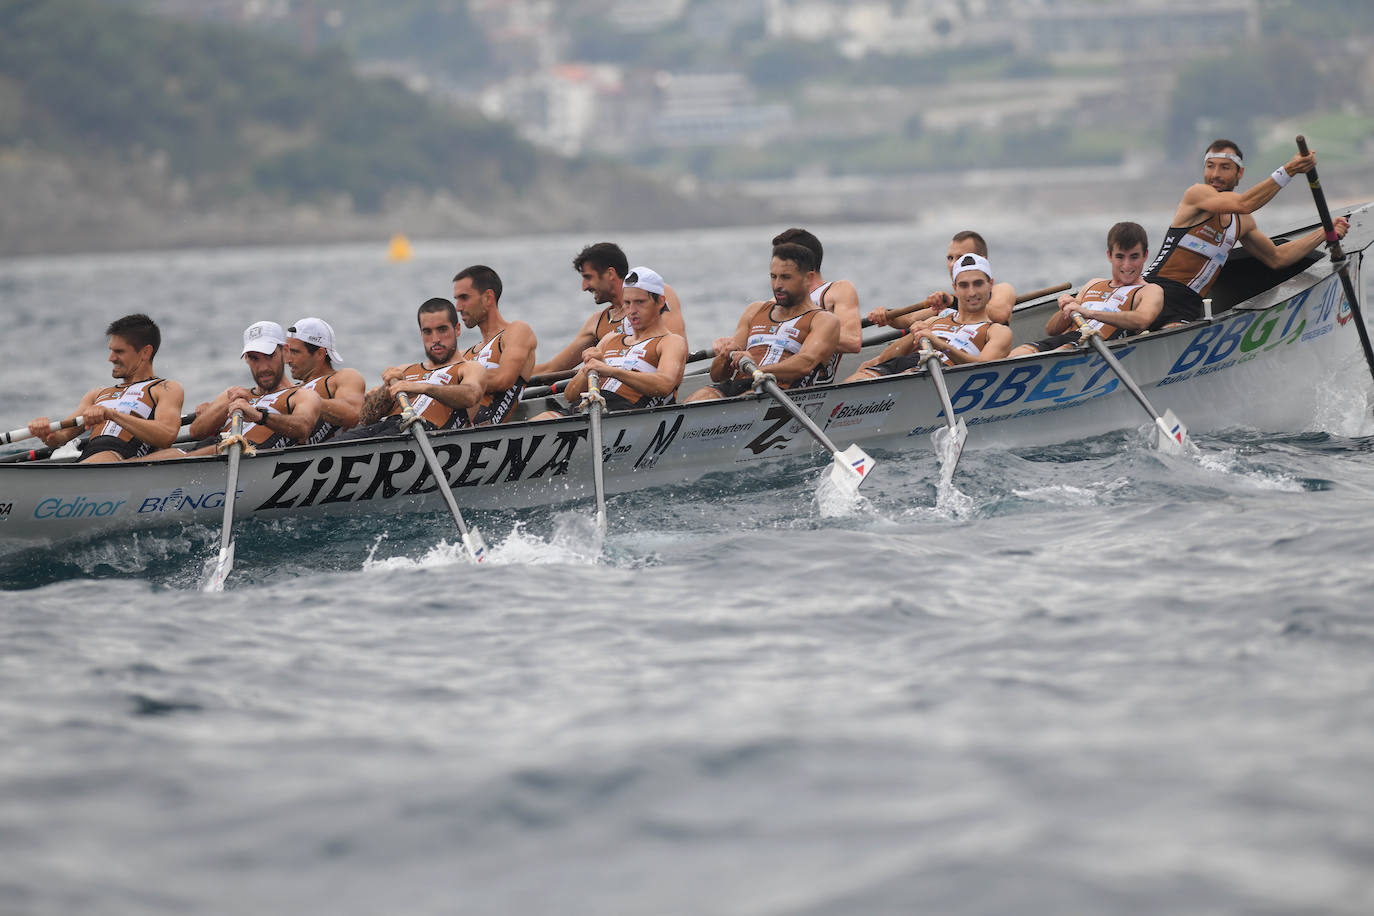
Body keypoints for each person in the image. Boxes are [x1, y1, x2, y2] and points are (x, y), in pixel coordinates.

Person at [1145, 138, 1348, 328]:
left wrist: (1324, 232)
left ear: (1239, 173)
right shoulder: (1197, 194)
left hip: (1187, 305)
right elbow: (1245, 203)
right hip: (1155, 291)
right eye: (1210, 166)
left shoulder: (1242, 222)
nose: (1215, 174)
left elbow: (1277, 257)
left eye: (1224, 167)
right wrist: (1289, 170)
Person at [685, 243, 840, 401]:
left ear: (808, 278)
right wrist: (725, 357)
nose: (777, 285)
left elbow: (805, 364)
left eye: (785, 277)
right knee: (698, 398)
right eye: (773, 277)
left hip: (782, 390)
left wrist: (757, 369)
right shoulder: (755, 310)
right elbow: (717, 376)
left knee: (746, 401)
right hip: (740, 384)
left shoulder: (824, 320)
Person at [147, 321, 321, 458]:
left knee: (181, 455)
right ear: (246, 359)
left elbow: (303, 427)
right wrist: (225, 406)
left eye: (269, 356)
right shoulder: (235, 394)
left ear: (285, 352)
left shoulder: (302, 395)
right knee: (176, 453)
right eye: (254, 358)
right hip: (209, 455)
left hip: (240, 458)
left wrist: (259, 416)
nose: (262, 367)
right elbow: (197, 431)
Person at [27, 313, 186, 462]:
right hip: (90, 462)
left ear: (145, 352)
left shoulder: (165, 388)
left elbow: (166, 435)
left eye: (119, 352)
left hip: (126, 463)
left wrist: (112, 414)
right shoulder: (97, 394)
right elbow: (61, 436)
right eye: (111, 351)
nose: (111, 358)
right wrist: (45, 432)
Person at [534, 266, 687, 419]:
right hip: (586, 410)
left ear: (660, 301)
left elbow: (664, 385)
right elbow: (570, 395)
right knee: (543, 417)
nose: (632, 310)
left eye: (640, 302)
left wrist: (611, 371)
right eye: (627, 303)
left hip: (624, 415)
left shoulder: (671, 342)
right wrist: (589, 369)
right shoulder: (610, 339)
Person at [530, 241, 686, 377]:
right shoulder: (596, 322)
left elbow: (678, 356)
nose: (584, 287)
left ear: (610, 274)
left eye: (588, 277)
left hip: (651, 395)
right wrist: (513, 372)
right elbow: (552, 370)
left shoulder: (658, 295)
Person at [338, 297, 486, 439]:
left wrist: (422, 388)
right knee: (339, 443)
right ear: (421, 333)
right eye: (427, 332)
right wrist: (384, 391)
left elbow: (471, 395)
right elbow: (366, 419)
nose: (435, 339)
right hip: (388, 427)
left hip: (427, 433)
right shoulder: (405, 371)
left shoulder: (469, 368)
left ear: (457, 329)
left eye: (442, 330)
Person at [847, 253, 1012, 379]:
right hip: (908, 363)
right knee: (862, 373)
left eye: (978, 283)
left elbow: (984, 367)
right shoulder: (936, 319)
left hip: (941, 372)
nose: (971, 292)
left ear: (990, 284)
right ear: (955, 287)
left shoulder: (997, 331)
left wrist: (940, 345)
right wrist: (887, 315)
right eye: (964, 285)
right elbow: (887, 356)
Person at [1011, 221, 1164, 356]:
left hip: (1098, 348)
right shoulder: (1093, 284)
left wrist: (1090, 313)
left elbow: (1142, 321)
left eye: (1134, 257)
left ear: (1145, 256)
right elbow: (1051, 330)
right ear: (1109, 256)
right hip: (1068, 338)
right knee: (1015, 355)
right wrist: (1066, 308)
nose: (1127, 265)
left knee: (1058, 353)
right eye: (1120, 257)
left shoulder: (1150, 290)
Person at [866, 230, 1017, 329]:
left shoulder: (1000, 289)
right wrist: (887, 315)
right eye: (950, 258)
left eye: (960, 258)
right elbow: (909, 319)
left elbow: (1000, 314)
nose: (952, 264)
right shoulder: (947, 301)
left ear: (981, 260)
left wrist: (953, 302)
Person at [453, 264, 537, 425]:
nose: (458, 308)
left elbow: (502, 379)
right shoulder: (465, 355)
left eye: (464, 298)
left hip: (482, 432)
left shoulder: (516, 331)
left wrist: (445, 386)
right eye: (456, 300)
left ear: (488, 298)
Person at [285, 317, 366, 443]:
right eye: (286, 352)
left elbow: (353, 415)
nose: (287, 360)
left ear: (320, 354)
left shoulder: (343, 377)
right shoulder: (291, 389)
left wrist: (308, 401)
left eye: (295, 352)